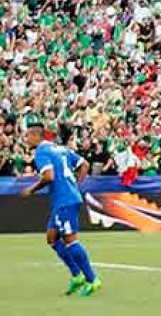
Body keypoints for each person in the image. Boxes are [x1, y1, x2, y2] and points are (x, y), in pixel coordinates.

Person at [19, 116, 102, 297]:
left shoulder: (41, 152)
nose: (25, 139)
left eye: (27, 136)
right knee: (52, 238)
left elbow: (49, 176)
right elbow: (84, 165)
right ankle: (76, 276)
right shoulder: (60, 148)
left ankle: (92, 279)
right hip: (66, 198)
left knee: (70, 240)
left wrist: (31, 189)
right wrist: (75, 186)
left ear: (36, 136)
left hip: (64, 200)